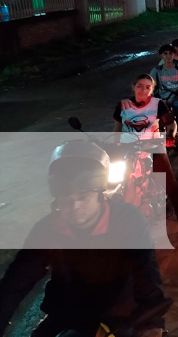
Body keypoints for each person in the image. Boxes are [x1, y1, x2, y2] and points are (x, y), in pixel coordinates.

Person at [0, 140, 168, 337]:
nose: (75, 207)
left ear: (99, 195)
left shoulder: (126, 220)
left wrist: (152, 322)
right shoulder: (48, 229)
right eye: (67, 200)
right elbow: (16, 282)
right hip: (68, 313)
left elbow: (146, 271)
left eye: (83, 197)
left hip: (119, 315)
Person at [113, 74, 178, 240]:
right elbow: (117, 128)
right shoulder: (123, 105)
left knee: (172, 187)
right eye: (140, 86)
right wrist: (114, 147)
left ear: (151, 90)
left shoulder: (157, 104)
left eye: (147, 87)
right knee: (120, 188)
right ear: (133, 87)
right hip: (129, 151)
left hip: (154, 150)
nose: (143, 90)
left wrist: (171, 135)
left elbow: (170, 123)